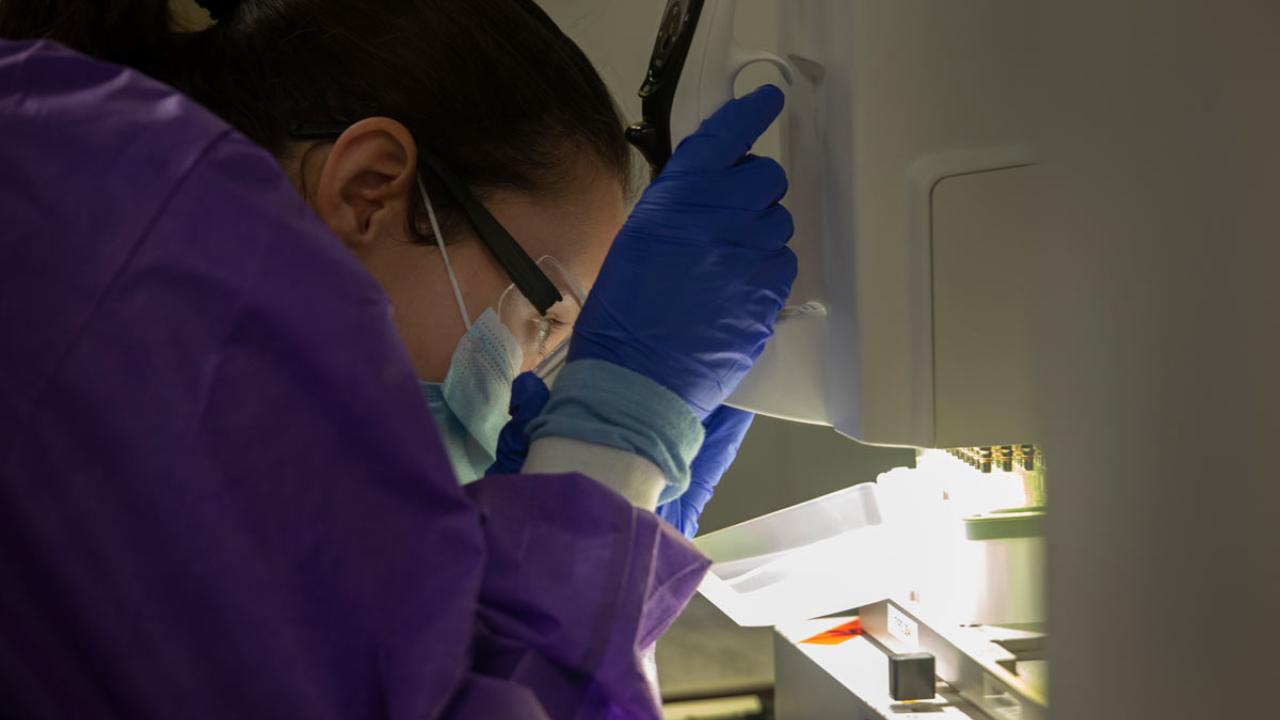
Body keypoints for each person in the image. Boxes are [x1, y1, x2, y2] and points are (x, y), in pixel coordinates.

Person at [0, 0, 794, 717]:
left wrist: (590, 558)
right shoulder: (157, 326)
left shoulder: (91, 198)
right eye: (540, 313)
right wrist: (610, 446)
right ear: (371, 189)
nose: (528, 375)